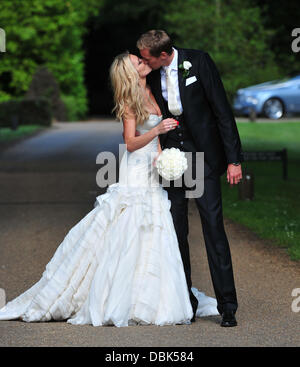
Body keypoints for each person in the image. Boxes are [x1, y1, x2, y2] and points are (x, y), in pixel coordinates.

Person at [0, 51, 219, 327]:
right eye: (138, 61)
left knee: (157, 226)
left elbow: (156, 139)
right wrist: (156, 132)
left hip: (152, 167)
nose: (143, 61)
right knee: (128, 224)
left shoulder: (152, 91)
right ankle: (116, 294)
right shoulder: (129, 100)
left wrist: (162, 156)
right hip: (136, 169)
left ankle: (151, 294)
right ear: (129, 72)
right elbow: (129, 142)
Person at [137, 30, 244, 327]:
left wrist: (234, 159)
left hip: (203, 158)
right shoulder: (150, 74)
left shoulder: (198, 62)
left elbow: (222, 111)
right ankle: (186, 300)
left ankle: (228, 305)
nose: (143, 63)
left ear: (162, 55)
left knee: (213, 227)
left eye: (147, 58)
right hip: (172, 160)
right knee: (177, 230)